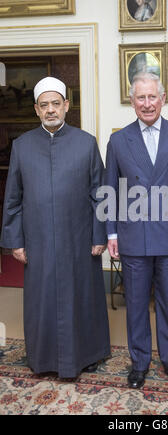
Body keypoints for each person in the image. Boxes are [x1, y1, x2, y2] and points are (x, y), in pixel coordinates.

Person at [0, 77, 110, 378]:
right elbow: (13, 199)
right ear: (37, 109)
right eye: (44, 105)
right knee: (43, 301)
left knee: (82, 298)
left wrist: (100, 234)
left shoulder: (86, 142)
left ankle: (87, 355)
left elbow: (100, 194)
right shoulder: (22, 146)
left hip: (79, 238)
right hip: (39, 241)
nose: (51, 110)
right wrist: (16, 242)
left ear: (66, 106)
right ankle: (43, 358)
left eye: (56, 104)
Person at [105, 72, 168, 389]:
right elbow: (109, 191)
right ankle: (140, 363)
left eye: (152, 97)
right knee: (135, 305)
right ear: (132, 101)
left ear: (162, 98)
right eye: (140, 98)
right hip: (133, 238)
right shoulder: (118, 141)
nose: (147, 103)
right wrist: (111, 234)